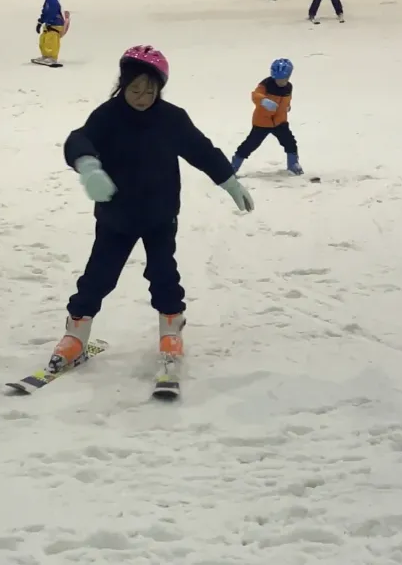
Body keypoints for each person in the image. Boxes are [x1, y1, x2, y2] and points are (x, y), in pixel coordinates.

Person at [50, 45, 254, 373]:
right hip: (116, 217)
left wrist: (229, 182)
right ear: (123, 85)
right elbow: (79, 139)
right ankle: (75, 335)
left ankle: (171, 329)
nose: (142, 97)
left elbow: (201, 151)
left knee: (163, 274)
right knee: (98, 276)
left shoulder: (171, 118)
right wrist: (88, 166)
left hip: (160, 215)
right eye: (135, 89)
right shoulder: (107, 116)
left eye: (150, 90)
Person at [230, 58, 303, 176]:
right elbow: (255, 95)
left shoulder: (289, 87)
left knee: (290, 142)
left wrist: (287, 107)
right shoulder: (266, 85)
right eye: (278, 79)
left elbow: (287, 99)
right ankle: (233, 167)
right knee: (249, 145)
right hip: (262, 122)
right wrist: (263, 100)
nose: (281, 82)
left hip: (280, 122)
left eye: (284, 79)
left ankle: (293, 164)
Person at [33, 0, 65, 67]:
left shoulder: (53, 0)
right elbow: (44, 13)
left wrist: (51, 21)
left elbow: (52, 12)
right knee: (43, 39)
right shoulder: (48, 1)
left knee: (51, 40)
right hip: (49, 24)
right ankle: (45, 56)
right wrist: (40, 22)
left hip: (55, 24)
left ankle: (52, 57)